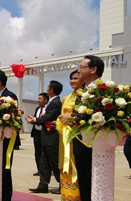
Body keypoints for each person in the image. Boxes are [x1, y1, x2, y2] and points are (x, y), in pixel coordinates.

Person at [73, 55, 104, 201]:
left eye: (82, 67)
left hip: (94, 144)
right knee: (84, 182)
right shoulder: (83, 89)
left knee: (94, 181)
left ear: (93, 69)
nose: (78, 71)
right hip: (80, 142)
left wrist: (74, 118)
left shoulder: (102, 90)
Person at [27, 80, 63, 194]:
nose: (47, 89)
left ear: (51, 90)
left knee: (55, 163)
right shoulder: (52, 102)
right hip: (46, 137)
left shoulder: (56, 102)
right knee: (44, 163)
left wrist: (35, 119)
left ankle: (62, 185)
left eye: (48, 87)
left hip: (52, 138)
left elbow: (48, 117)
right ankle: (43, 185)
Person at [0, 69, 18, 200]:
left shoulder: (10, 97)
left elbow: (13, 119)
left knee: (5, 170)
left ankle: (5, 197)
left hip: (6, 140)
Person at [56, 70, 83, 199]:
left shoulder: (86, 95)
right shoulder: (66, 98)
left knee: (78, 167)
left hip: (79, 136)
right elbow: (61, 115)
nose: (73, 81)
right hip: (65, 137)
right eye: (71, 78)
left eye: (76, 78)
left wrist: (72, 118)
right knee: (65, 165)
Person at [31, 92, 49, 176]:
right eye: (38, 98)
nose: (38, 100)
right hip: (36, 133)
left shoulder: (49, 109)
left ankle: (46, 169)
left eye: (40, 99)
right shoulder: (37, 108)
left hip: (44, 133)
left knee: (44, 152)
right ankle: (39, 169)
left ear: (46, 100)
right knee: (37, 152)